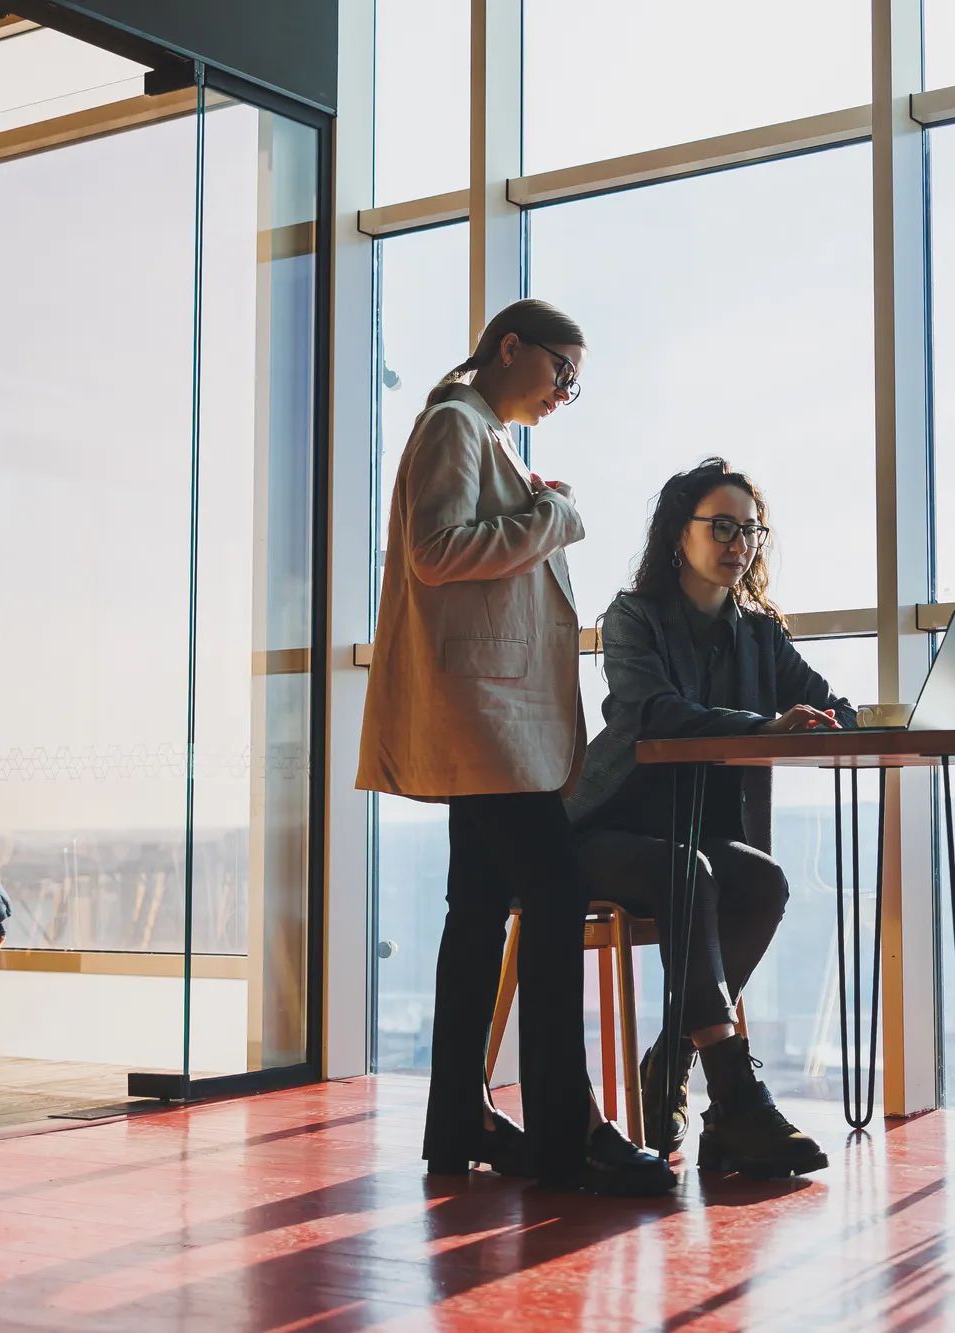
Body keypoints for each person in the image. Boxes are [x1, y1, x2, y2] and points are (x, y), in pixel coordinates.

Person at [357, 298, 672, 1196]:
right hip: (485, 719)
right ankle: (568, 1129)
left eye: (577, 380)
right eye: (561, 371)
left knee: (478, 908)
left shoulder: (476, 430)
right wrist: (556, 517)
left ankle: (458, 1120)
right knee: (557, 888)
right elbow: (436, 551)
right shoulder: (459, 424)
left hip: (485, 716)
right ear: (510, 347)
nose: (568, 392)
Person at [566, 458, 854, 1179]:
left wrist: (833, 720)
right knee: (687, 869)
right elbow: (654, 712)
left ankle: (675, 1058)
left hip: (694, 839)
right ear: (678, 535)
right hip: (602, 831)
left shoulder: (758, 634)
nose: (739, 543)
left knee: (763, 883)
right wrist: (763, 724)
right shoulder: (633, 618)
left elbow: (827, 703)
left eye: (750, 530)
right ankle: (736, 1098)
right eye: (721, 527)